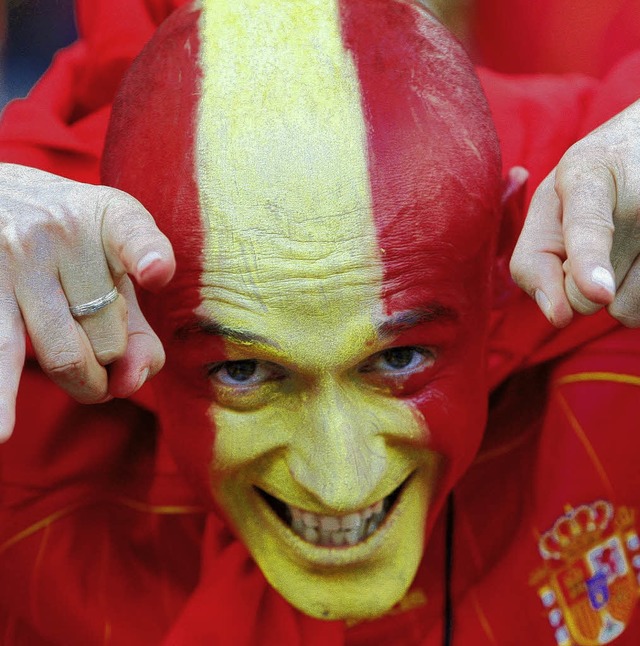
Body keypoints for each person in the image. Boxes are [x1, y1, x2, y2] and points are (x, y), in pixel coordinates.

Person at [1, 0, 640, 644]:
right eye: (243, 370)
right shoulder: (28, 312)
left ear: (498, 254)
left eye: (398, 359)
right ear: (133, 297)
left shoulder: (608, 236)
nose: (339, 485)